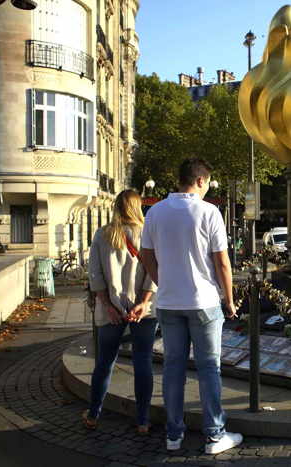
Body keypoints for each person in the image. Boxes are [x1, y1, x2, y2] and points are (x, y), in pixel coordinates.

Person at [139, 158, 243, 455]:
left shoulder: (155, 212)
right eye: (208, 183)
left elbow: (146, 256)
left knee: (173, 369)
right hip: (204, 302)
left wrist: (163, 281)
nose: (208, 188)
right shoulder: (209, 212)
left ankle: (174, 435)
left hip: (169, 303)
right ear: (200, 181)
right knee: (209, 368)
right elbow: (222, 262)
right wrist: (230, 300)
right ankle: (214, 435)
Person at [83, 189, 158, 434]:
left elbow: (95, 275)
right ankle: (143, 420)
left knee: (104, 363)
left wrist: (108, 306)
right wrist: (144, 302)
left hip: (111, 310)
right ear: (138, 207)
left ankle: (94, 414)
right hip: (143, 311)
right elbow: (155, 272)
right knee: (143, 361)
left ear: (116, 206)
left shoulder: (102, 235)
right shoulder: (148, 234)